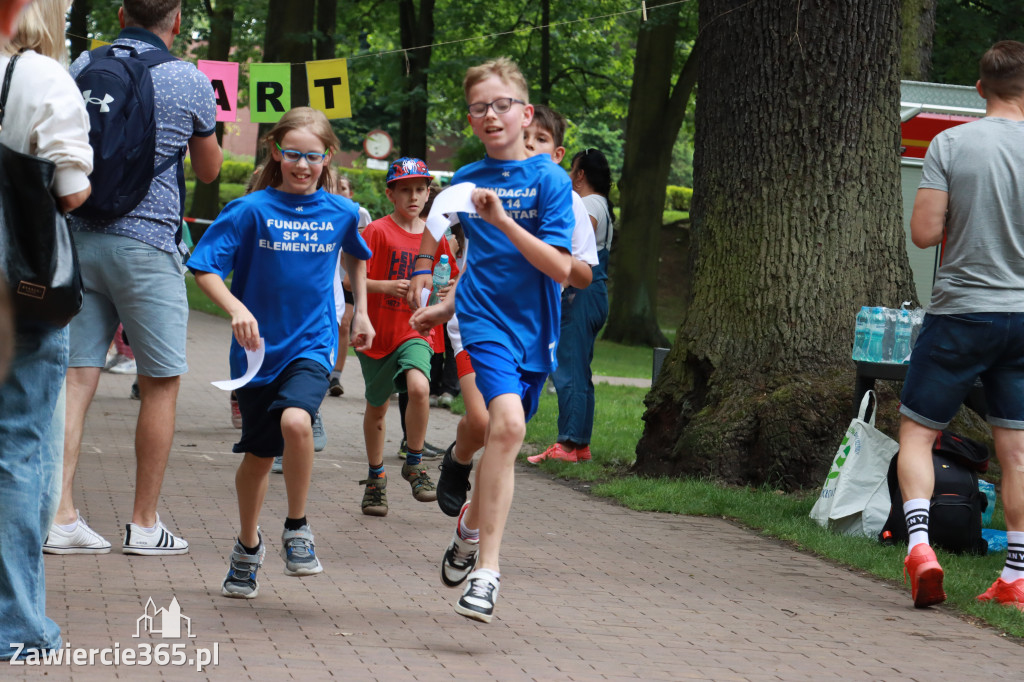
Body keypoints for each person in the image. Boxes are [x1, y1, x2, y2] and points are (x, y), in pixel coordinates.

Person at [45, 0, 223, 556]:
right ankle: (144, 525)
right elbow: (210, 169)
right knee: (161, 380)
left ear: (121, 13)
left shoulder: (81, 65)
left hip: (78, 238)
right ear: (175, 22)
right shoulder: (189, 80)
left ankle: (60, 516)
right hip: (147, 248)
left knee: (75, 378)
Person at [407, 58, 574, 622]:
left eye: (503, 104)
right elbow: (479, 265)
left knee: (503, 441)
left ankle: (468, 533)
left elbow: (558, 268)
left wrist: (503, 220)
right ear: (472, 120)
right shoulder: (463, 184)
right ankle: (487, 573)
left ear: (526, 115)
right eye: (480, 107)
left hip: (536, 330)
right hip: (482, 322)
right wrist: (446, 307)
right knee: (507, 427)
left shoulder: (551, 181)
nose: (492, 114)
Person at [188, 107, 373, 599]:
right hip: (256, 353)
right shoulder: (249, 209)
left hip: (313, 344)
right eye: (293, 154)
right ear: (276, 152)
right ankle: (248, 546)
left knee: (297, 422)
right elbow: (204, 267)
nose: (302, 165)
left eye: (313, 156)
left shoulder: (341, 212)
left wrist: (361, 312)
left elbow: (356, 254)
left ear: (328, 157)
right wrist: (234, 309)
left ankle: (297, 527)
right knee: (257, 454)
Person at [412, 104, 596, 519]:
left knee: (503, 426)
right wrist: (424, 268)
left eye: (540, 142)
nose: (528, 148)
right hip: (475, 314)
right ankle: (464, 477)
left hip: (532, 327)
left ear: (558, 155)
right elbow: (439, 215)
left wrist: (557, 268)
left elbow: (581, 273)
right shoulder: (483, 186)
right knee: (484, 417)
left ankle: (466, 486)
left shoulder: (566, 203)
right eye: (523, 140)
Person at [898, 40, 1024, 611]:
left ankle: (921, 548)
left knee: (918, 434)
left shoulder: (951, 142)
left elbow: (924, 233)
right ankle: (1016, 575)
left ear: (979, 89)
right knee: (1017, 452)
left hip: (960, 312)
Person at [0, 0, 93, 658]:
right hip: (17, 296)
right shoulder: (35, 77)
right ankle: (16, 626)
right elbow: (70, 189)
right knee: (18, 449)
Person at [356, 157, 457, 517]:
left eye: (420, 189)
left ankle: (414, 462)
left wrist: (448, 292)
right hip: (378, 334)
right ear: (391, 193)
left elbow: (451, 277)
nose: (414, 196)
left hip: (416, 331)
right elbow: (349, 278)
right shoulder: (377, 232)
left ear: (429, 193)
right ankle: (375, 478)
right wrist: (384, 286)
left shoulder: (435, 236)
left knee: (418, 388)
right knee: (378, 408)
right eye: (406, 190)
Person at [529, 147, 613, 464]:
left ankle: (566, 444)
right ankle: (580, 444)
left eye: (571, 169)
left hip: (581, 295)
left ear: (580, 174)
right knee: (580, 369)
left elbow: (578, 248)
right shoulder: (602, 203)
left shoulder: (587, 203)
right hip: (596, 294)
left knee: (569, 369)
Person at [327, 174, 372, 398]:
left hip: (351, 279)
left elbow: (361, 251)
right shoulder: (326, 212)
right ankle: (325, 367)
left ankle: (336, 374)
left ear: (350, 193)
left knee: (345, 323)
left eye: (343, 187)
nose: (339, 190)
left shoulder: (358, 213)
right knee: (334, 324)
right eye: (336, 187)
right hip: (334, 278)